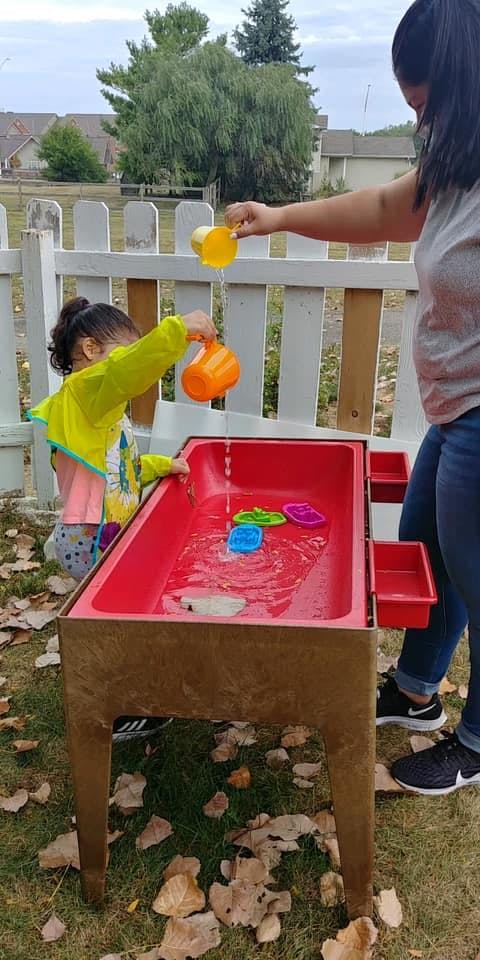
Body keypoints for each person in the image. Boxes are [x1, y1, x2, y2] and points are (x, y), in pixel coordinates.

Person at [226, 0, 480, 796]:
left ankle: (477, 742)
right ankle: (413, 692)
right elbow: (379, 210)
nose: (420, 116)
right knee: (429, 549)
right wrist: (278, 219)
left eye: (427, 100)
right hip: (456, 405)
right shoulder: (459, 157)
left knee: (474, 571)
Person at [29, 297, 216, 742]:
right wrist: (176, 330)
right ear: (91, 350)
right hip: (90, 536)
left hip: (99, 531)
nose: (132, 367)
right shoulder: (86, 390)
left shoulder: (99, 408)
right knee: (121, 622)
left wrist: (155, 466)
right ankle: (119, 706)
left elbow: (114, 465)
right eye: (125, 351)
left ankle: (129, 693)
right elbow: (128, 371)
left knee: (127, 614)